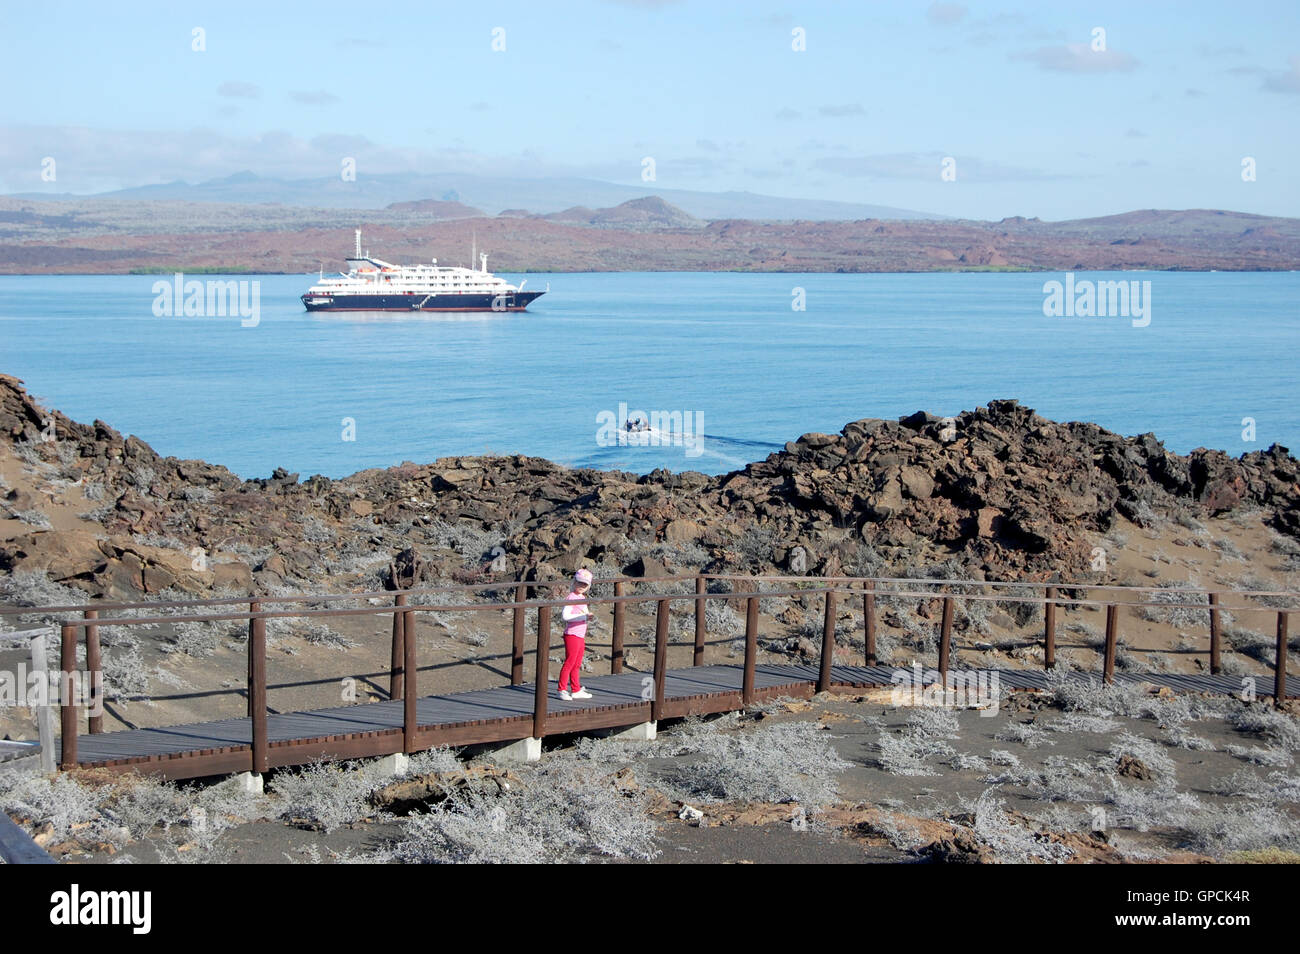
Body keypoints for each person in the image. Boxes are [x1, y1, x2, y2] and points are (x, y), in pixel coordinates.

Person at [558, 568, 596, 700]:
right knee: (570, 662)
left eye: (584, 584)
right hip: (572, 634)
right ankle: (562, 689)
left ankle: (576, 689)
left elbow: (582, 614)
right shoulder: (571, 597)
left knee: (577, 663)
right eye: (579, 583)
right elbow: (565, 616)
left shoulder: (582, 598)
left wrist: (587, 616)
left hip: (580, 635)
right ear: (574, 582)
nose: (581, 586)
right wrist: (584, 617)